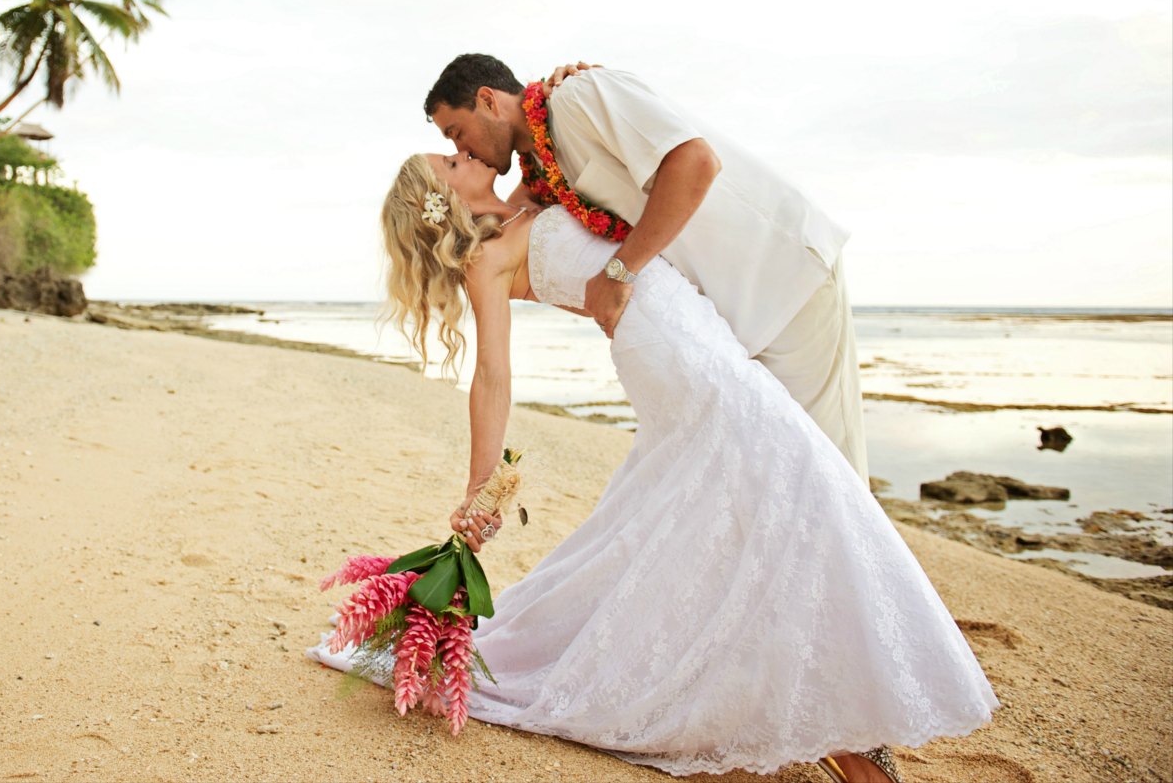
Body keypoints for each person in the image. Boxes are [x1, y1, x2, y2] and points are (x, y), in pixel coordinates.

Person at [306, 152, 996, 783]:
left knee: (767, 494)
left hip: (687, 324)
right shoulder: (484, 258)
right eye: (452, 159)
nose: (469, 154)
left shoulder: (525, 200)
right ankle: (844, 727)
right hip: (668, 349)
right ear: (438, 198)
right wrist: (480, 488)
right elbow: (492, 374)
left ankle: (825, 707)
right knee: (793, 480)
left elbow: (568, 151)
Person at [425, 54, 869, 481]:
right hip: (727, 321)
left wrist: (618, 273)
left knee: (830, 472)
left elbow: (697, 161)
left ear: (488, 100)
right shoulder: (543, 166)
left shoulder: (580, 95)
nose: (461, 149)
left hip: (782, 275)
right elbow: (502, 225)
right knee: (777, 475)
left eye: (456, 132)